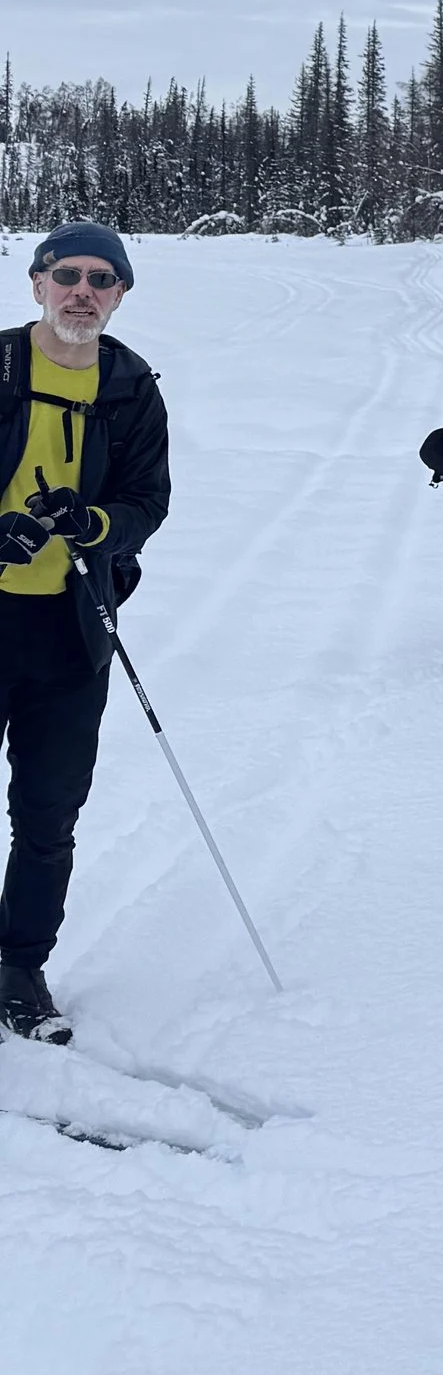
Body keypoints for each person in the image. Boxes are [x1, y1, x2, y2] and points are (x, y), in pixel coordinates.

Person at [0, 222, 170, 1042]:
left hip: (72, 629)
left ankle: (19, 967)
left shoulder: (132, 386)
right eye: (66, 273)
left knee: (49, 814)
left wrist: (93, 522)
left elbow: (148, 499)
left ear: (120, 295)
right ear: (36, 282)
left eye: (102, 279)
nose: (82, 290)